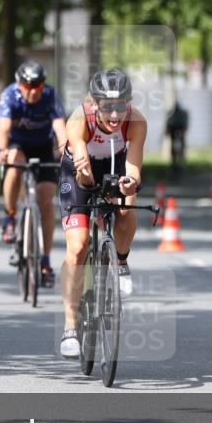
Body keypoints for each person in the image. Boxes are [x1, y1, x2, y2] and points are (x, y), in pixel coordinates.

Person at [58, 68, 147, 358]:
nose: (114, 114)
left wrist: (127, 183)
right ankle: (70, 326)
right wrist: (90, 184)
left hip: (115, 165)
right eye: (107, 106)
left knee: (126, 204)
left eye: (121, 105)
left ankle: (121, 262)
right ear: (94, 103)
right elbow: (84, 177)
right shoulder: (79, 120)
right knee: (79, 247)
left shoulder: (136, 122)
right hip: (79, 171)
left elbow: (133, 169)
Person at [0, 60, 68, 288]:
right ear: (19, 84)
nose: (34, 90)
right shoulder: (10, 96)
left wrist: (66, 149)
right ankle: (9, 216)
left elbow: (59, 126)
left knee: (46, 199)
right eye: (29, 85)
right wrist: (2, 151)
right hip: (18, 145)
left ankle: (45, 260)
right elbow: (4, 128)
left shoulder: (50, 96)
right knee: (14, 163)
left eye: (38, 85)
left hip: (43, 147)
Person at [166, 100, 189, 175]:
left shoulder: (183, 114)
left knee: (181, 148)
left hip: (180, 130)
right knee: (173, 148)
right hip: (173, 131)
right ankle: (174, 163)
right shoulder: (171, 114)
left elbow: (185, 125)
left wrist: (182, 131)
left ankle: (181, 162)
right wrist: (167, 131)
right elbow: (168, 124)